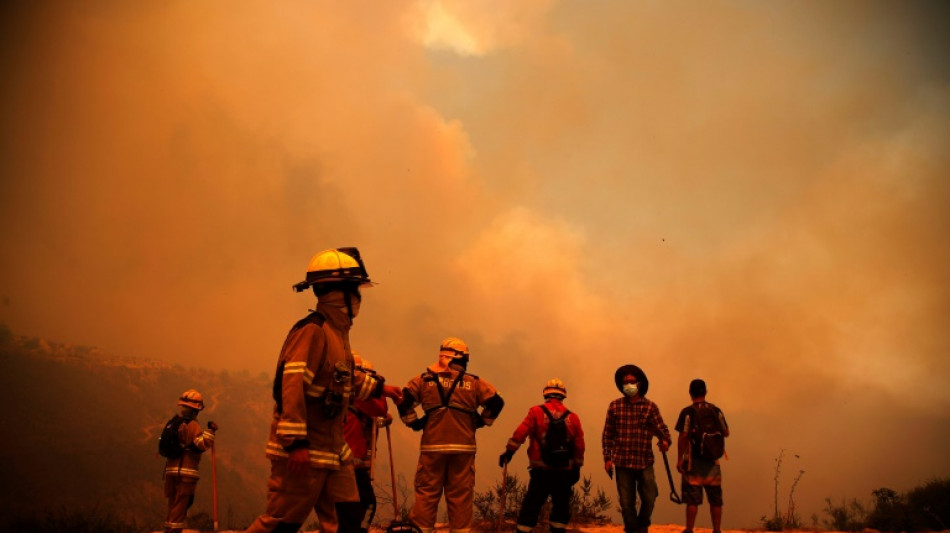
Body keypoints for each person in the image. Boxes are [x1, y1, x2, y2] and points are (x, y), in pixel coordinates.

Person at [244, 247, 403, 533]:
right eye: (355, 290)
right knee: (280, 523)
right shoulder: (312, 331)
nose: (358, 298)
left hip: (334, 452)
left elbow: (343, 381)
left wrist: (383, 389)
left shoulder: (337, 334)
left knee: (347, 522)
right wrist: (295, 445)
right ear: (337, 292)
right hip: (306, 452)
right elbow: (289, 388)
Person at [397, 336, 505, 533]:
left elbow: (403, 402)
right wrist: (481, 421)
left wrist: (414, 423)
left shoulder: (423, 381)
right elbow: (497, 403)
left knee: (427, 493)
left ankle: (421, 530)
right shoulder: (474, 383)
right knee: (461, 496)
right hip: (463, 450)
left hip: (432, 448)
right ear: (458, 358)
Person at [499, 378, 585, 533]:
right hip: (564, 471)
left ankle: (524, 530)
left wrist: (509, 452)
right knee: (561, 507)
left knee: (532, 505)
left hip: (541, 470)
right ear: (563, 396)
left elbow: (520, 433)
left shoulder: (536, 412)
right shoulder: (573, 417)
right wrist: (577, 467)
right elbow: (579, 445)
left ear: (546, 394)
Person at [602, 364, 672, 533]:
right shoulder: (614, 406)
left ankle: (642, 523)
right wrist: (607, 458)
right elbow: (607, 435)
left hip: (644, 461)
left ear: (640, 383)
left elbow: (664, 432)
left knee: (650, 497)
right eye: (625, 382)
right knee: (626, 503)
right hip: (623, 462)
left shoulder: (650, 407)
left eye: (632, 382)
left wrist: (665, 443)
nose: (628, 385)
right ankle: (633, 529)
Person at [337, 354, 392, 533]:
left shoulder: (341, 394)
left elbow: (368, 420)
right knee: (366, 503)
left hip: (347, 460)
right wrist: (378, 387)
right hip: (350, 462)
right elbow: (380, 408)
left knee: (344, 508)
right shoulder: (357, 395)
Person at [675, 379, 730, 533]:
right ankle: (717, 530)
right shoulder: (715, 410)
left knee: (692, 499)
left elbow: (683, 436)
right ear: (705, 392)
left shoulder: (688, 412)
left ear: (690, 393)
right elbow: (726, 432)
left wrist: (680, 459)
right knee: (715, 499)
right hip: (713, 461)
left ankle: (690, 529)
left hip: (693, 462)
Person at [161, 389, 218, 533]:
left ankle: (168, 528)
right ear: (196, 409)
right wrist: (211, 432)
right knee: (181, 505)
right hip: (186, 472)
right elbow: (200, 444)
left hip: (170, 471)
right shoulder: (192, 425)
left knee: (173, 504)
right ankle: (174, 531)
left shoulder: (174, 422)